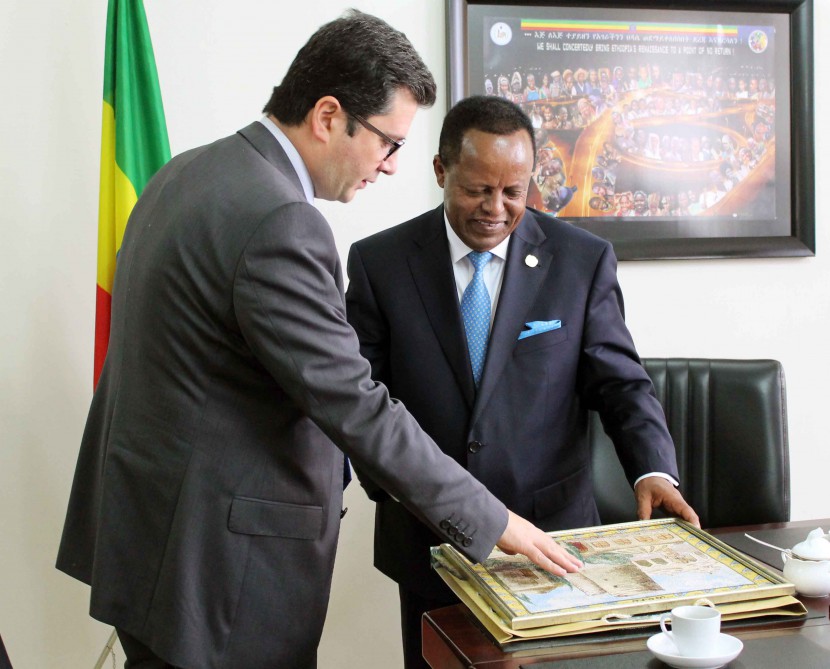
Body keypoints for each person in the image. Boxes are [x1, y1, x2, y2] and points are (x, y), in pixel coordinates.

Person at [55, 15, 581, 669]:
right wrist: (492, 520)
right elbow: (355, 402)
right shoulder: (281, 220)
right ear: (329, 116)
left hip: (149, 540)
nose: (391, 167)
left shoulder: (187, 172)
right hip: (220, 572)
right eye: (389, 143)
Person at [345, 96, 699, 669]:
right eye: (477, 190)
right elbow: (358, 397)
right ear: (441, 170)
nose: (496, 209)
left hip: (553, 543)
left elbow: (620, 382)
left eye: (514, 191)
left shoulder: (581, 260)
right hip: (429, 541)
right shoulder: (379, 262)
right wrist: (391, 488)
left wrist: (651, 467)